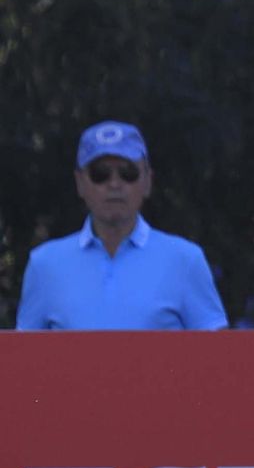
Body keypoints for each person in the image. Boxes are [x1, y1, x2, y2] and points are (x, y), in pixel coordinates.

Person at [16, 121, 228, 331]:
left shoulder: (186, 261)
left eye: (128, 173)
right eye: (100, 174)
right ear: (80, 182)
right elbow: (24, 352)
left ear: (147, 180)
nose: (114, 184)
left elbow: (217, 350)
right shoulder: (44, 265)